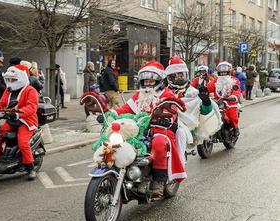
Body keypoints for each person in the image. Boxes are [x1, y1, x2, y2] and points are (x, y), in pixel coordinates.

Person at [82, 61, 187, 197]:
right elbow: (124, 110)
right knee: (116, 142)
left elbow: (172, 109)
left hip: (160, 130)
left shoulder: (166, 94)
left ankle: (158, 180)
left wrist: (165, 118)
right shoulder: (139, 96)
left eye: (151, 81)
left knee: (159, 143)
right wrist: (110, 115)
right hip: (137, 130)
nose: (148, 84)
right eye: (145, 82)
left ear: (159, 81)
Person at [165, 56, 222, 166]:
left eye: (181, 75)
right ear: (170, 78)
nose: (179, 78)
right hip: (163, 124)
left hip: (185, 128)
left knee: (180, 133)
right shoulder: (164, 91)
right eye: (175, 76)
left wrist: (206, 102)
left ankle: (179, 164)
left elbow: (203, 113)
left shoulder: (193, 93)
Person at [0, 64, 39, 180]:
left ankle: (30, 168)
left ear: (21, 78)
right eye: (9, 79)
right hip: (11, 120)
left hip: (26, 121)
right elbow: (0, 105)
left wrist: (18, 113)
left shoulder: (30, 90)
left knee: (22, 142)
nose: (10, 82)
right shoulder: (8, 91)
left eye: (13, 79)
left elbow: (32, 107)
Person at [206, 61, 241, 136]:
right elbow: (209, 87)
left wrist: (234, 96)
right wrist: (202, 90)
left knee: (232, 115)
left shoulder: (234, 80)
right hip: (217, 101)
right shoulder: (215, 81)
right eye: (221, 72)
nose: (223, 74)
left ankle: (235, 128)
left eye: (225, 72)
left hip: (230, 102)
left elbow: (236, 90)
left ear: (228, 71)